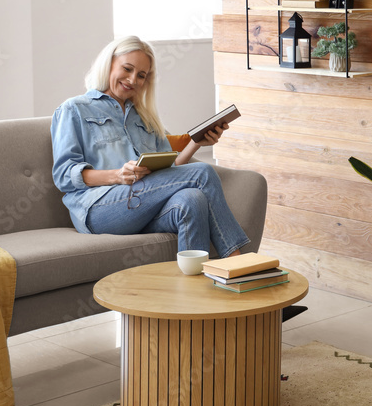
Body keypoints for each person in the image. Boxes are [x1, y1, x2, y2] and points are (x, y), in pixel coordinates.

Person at [51, 35, 250, 258]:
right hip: (98, 209)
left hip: (141, 205)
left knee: (192, 200)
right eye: (127, 69)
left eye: (141, 75)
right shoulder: (74, 109)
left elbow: (170, 170)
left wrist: (195, 144)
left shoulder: (144, 117)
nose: (133, 79)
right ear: (109, 63)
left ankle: (193, 288)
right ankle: (237, 261)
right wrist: (118, 175)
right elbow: (64, 175)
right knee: (203, 172)